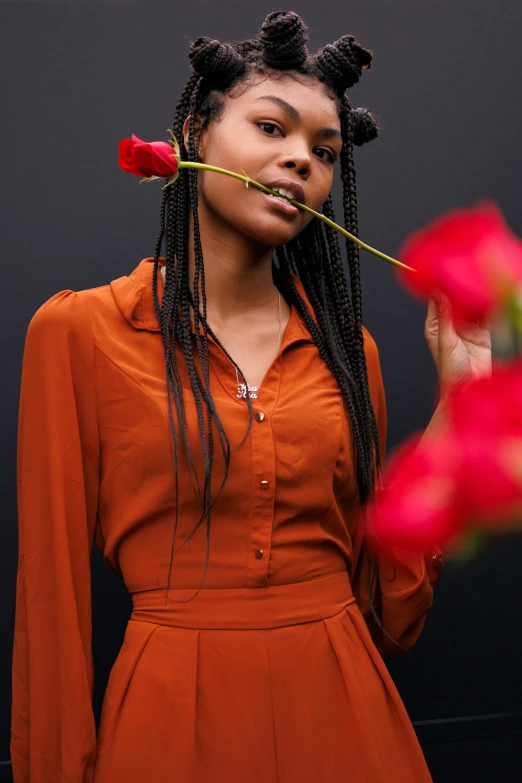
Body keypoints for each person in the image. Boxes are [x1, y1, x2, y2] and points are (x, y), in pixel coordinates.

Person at [12, 9, 491, 782]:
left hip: (346, 719)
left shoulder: (348, 353)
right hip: (170, 726)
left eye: (324, 151)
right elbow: (50, 605)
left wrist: (460, 409)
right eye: (272, 129)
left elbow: (389, 612)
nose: (302, 159)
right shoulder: (80, 333)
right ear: (196, 136)